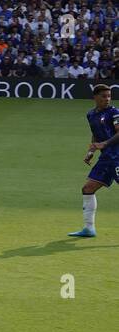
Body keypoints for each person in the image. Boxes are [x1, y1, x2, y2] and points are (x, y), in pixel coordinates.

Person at [68, 83, 119, 238]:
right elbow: (95, 134)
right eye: (104, 96)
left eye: (109, 96)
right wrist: (91, 151)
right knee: (88, 189)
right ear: (95, 97)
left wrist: (104, 144)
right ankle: (89, 229)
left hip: (117, 157)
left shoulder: (114, 113)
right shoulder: (91, 114)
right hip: (105, 159)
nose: (107, 99)